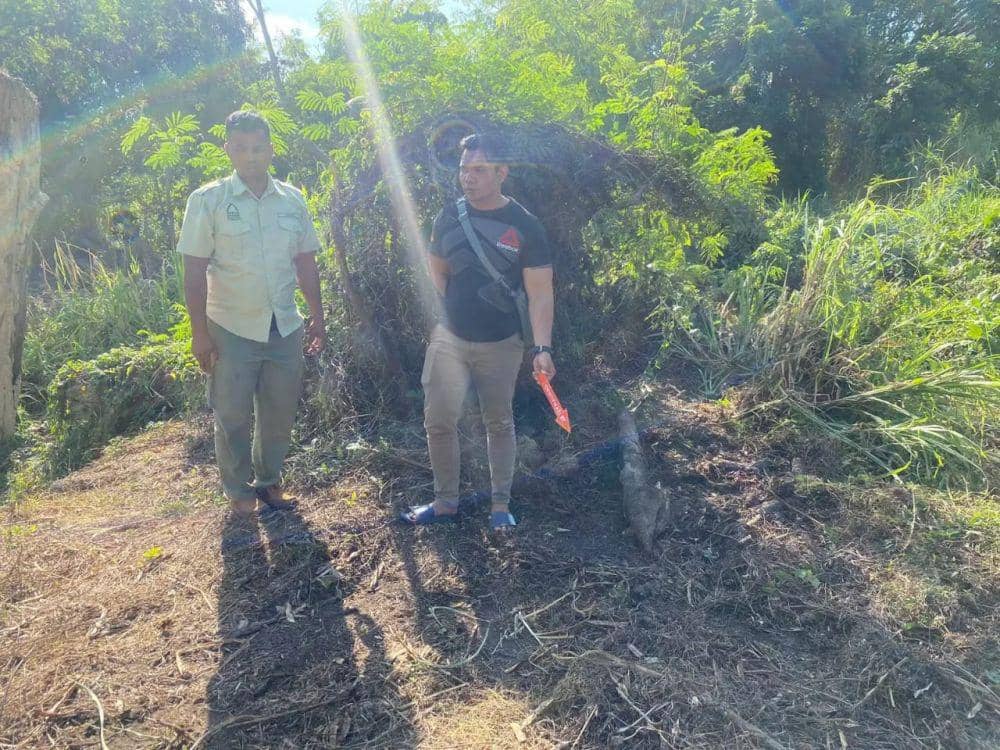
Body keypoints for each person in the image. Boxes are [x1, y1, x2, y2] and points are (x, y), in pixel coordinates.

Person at [404, 132, 556, 531]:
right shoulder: (448, 216)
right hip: (448, 339)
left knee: (499, 423)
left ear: (502, 173)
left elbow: (540, 292)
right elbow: (435, 267)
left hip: (502, 343)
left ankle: (500, 506)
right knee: (438, 421)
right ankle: (444, 503)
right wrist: (447, 312)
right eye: (463, 170)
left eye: (479, 170)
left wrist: (542, 347)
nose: (468, 178)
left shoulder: (525, 225)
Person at [177, 110, 325, 518]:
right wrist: (199, 334)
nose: (251, 156)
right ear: (229, 150)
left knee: (279, 410)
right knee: (232, 412)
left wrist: (317, 316)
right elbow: (193, 272)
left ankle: (269, 481)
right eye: (241, 148)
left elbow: (306, 262)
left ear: (271, 150)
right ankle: (237, 489)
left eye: (258, 148)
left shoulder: (292, 200)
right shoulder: (208, 201)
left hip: (284, 325)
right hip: (231, 326)